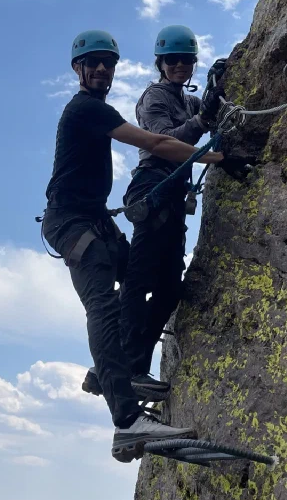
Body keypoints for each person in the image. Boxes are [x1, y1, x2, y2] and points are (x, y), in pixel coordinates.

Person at [42, 29, 227, 463]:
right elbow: (158, 143)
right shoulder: (85, 108)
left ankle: (118, 371)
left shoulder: (100, 108)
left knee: (160, 280)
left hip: (95, 223)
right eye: (95, 63)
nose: (103, 69)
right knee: (104, 306)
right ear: (79, 70)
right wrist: (220, 158)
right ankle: (126, 420)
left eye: (109, 62)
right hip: (71, 225)